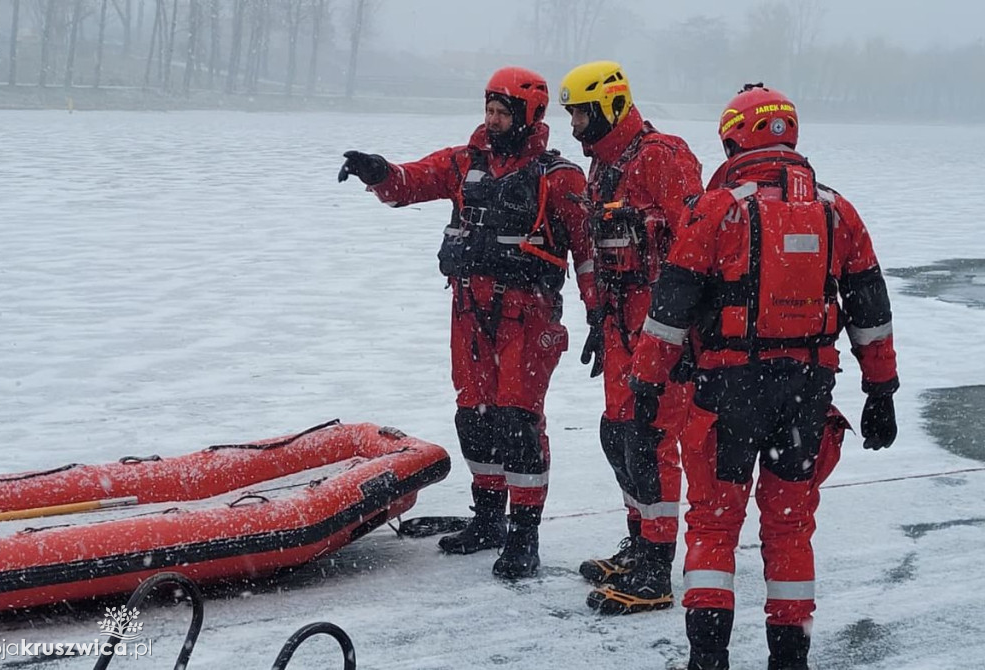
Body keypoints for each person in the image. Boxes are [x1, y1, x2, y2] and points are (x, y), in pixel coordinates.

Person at [629, 83, 899, 669]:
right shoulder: (836, 209)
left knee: (713, 526)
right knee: (790, 527)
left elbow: (670, 307)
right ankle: (790, 657)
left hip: (727, 395)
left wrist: (644, 385)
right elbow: (871, 311)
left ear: (733, 137)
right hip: (805, 395)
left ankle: (708, 657)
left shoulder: (717, 208)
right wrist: (881, 391)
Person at [338, 66, 598, 580]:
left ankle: (524, 535)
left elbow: (588, 255)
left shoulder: (560, 176)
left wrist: (600, 316)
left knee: (518, 424)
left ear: (530, 115)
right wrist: (376, 171)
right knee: (474, 418)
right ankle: (488, 520)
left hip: (528, 317)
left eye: (503, 112)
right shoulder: (464, 163)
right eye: (489, 109)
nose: (493, 119)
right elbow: (410, 182)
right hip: (469, 313)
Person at [558, 60, 703, 614]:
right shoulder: (603, 167)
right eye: (570, 113)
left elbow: (696, 246)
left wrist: (682, 331)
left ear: (611, 106)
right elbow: (599, 249)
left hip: (662, 326)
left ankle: (657, 570)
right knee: (618, 435)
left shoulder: (661, 157)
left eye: (582, 113)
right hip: (621, 323)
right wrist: (597, 316)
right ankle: (641, 541)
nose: (574, 124)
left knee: (651, 438)